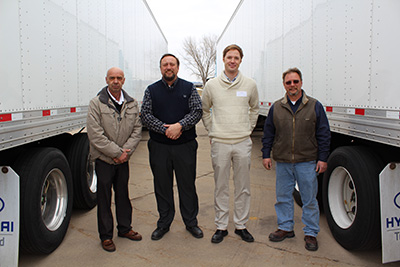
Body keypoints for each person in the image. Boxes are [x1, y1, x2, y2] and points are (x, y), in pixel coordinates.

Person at [261, 67, 331, 251]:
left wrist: (322, 159)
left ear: (301, 82)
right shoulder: (276, 107)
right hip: (283, 161)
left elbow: (324, 134)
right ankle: (285, 228)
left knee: (309, 199)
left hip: (307, 161)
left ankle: (311, 233)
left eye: (295, 81)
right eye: (288, 82)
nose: (292, 85)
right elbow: (268, 133)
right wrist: (266, 154)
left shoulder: (315, 106)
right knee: (283, 197)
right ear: (284, 84)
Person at [140, 54, 203, 240]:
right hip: (160, 146)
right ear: (161, 68)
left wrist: (180, 126)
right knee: (162, 186)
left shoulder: (189, 88)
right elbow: (145, 115)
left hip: (185, 146)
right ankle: (164, 223)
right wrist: (164, 129)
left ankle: (191, 223)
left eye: (172, 64)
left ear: (177, 67)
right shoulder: (151, 90)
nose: (169, 67)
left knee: (187, 186)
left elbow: (197, 111)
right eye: (165, 64)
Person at [202, 44, 259, 243]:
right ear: (223, 60)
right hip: (220, 143)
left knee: (243, 186)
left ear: (241, 60)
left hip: (242, 142)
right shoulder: (212, 85)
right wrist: (212, 130)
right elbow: (205, 109)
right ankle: (221, 226)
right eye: (229, 57)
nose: (232, 61)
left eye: (236, 57)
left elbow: (254, 109)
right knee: (221, 186)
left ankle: (241, 225)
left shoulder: (250, 84)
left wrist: (248, 128)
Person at [87, 67, 142, 252]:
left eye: (119, 78)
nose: (116, 81)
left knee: (123, 196)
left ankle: (125, 228)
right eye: (112, 78)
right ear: (106, 80)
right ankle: (106, 236)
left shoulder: (132, 103)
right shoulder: (96, 103)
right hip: (104, 160)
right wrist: (117, 152)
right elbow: (95, 135)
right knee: (104, 198)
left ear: (124, 80)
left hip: (124, 159)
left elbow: (137, 129)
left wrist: (126, 152)